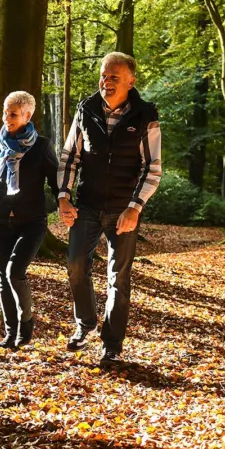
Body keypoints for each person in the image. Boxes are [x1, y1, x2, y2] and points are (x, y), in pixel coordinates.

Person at [56, 51, 162, 368]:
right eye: (103, 75)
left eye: (114, 76)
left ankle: (111, 347)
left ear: (130, 81)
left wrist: (135, 207)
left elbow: (152, 168)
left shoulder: (146, 116)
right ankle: (86, 322)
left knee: (119, 279)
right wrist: (63, 197)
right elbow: (69, 158)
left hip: (123, 210)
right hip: (86, 205)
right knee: (75, 265)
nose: (106, 81)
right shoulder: (86, 110)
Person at [0, 91, 61, 350]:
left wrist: (66, 205)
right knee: (1, 278)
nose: (6, 118)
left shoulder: (41, 146)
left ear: (27, 116)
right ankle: (11, 335)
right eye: (5, 112)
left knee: (14, 272)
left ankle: (26, 324)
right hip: (0, 223)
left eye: (13, 114)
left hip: (32, 222)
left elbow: (56, 182)